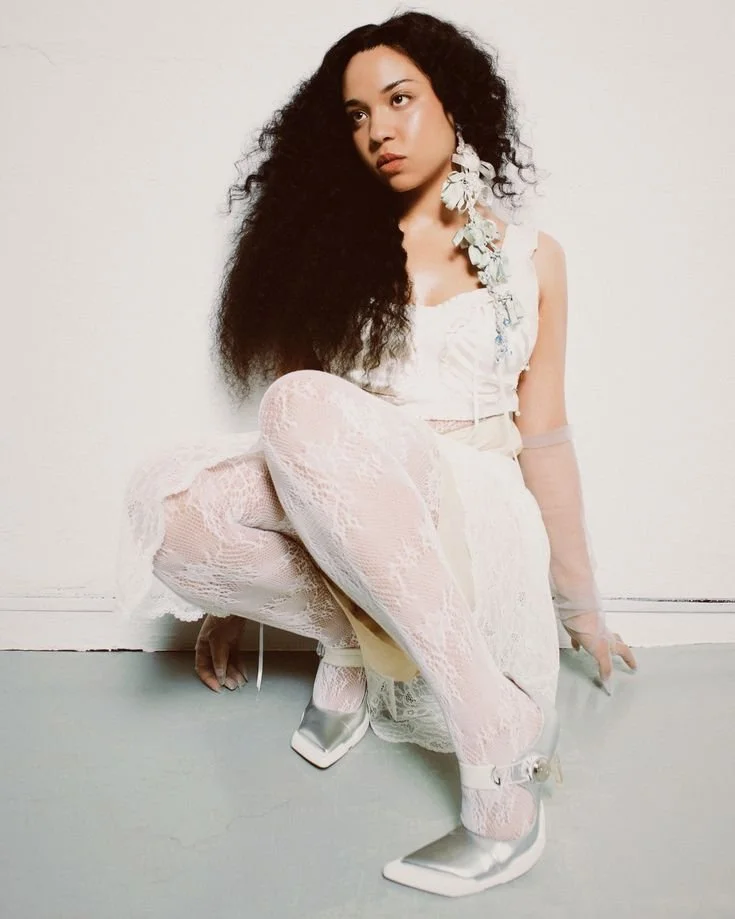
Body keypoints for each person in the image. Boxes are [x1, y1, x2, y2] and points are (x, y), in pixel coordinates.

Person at [114, 11, 638, 898]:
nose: (378, 131)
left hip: (468, 502)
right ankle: (349, 638)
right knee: (168, 512)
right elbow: (300, 435)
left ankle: (493, 733)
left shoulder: (531, 257)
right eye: (355, 116)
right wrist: (230, 595)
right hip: (344, 498)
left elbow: (544, 434)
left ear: (454, 100)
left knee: (298, 401)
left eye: (399, 100)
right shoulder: (328, 252)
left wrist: (579, 603)